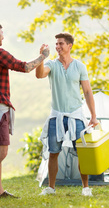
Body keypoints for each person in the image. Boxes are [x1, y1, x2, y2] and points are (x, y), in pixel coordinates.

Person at [0, 21, 50, 200]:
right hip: (0, 107)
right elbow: (24, 67)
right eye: (2, 33)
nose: (3, 37)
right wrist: (42, 56)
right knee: (1, 153)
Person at [36, 32, 98, 196]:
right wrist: (41, 57)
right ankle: (51, 188)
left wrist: (93, 116)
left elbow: (87, 91)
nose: (57, 47)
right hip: (56, 116)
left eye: (61, 43)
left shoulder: (79, 66)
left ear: (69, 46)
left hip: (76, 115)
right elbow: (39, 74)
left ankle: (85, 188)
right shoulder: (52, 65)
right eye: (56, 44)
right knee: (53, 152)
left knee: (82, 153)